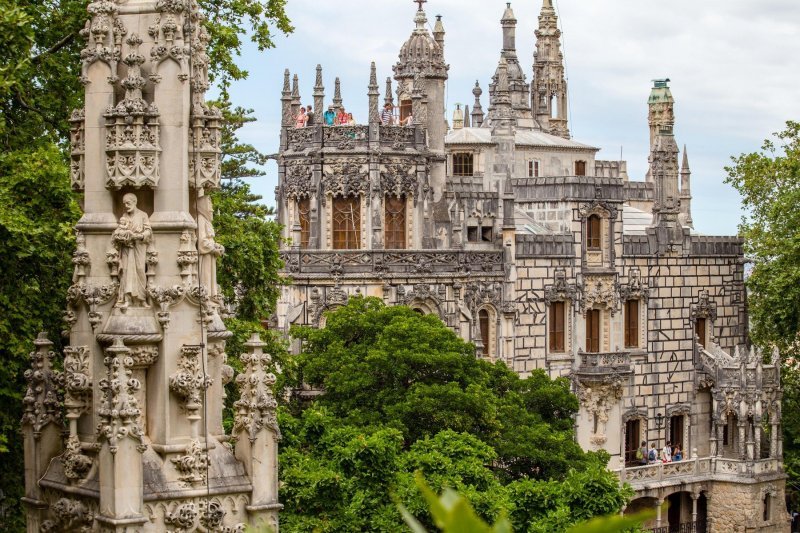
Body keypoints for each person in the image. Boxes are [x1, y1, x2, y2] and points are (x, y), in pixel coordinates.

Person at [112, 193, 152, 308]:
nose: (126, 206)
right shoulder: (124, 216)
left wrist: (138, 236)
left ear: (135, 202)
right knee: (125, 272)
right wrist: (121, 236)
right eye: (124, 204)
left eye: (128, 203)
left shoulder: (143, 215)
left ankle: (142, 299)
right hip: (126, 248)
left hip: (139, 247)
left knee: (140, 270)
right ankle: (127, 299)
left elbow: (149, 231)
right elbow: (118, 230)